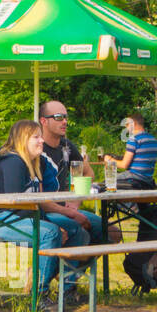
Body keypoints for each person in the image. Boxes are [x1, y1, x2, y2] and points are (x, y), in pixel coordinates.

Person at [0, 119, 74, 312]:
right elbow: (16, 204)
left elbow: (30, 204)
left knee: (74, 227)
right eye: (36, 137)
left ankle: (68, 287)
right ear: (22, 140)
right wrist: (46, 223)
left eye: (41, 137)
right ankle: (37, 296)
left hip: (13, 217)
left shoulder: (31, 163)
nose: (41, 141)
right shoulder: (14, 162)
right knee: (50, 233)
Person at [39, 100, 106, 246]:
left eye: (66, 117)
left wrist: (75, 201)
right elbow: (38, 200)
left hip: (64, 208)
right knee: (79, 232)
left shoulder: (66, 146)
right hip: (43, 212)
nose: (64, 121)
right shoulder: (37, 148)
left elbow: (87, 173)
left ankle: (74, 266)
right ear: (43, 121)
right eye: (58, 117)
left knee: (109, 231)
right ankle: (66, 268)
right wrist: (69, 213)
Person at [104, 111, 157, 189]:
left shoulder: (133, 139)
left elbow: (124, 165)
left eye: (127, 125)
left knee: (106, 182)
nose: (126, 127)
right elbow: (141, 159)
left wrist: (109, 159)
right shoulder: (153, 140)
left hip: (135, 178)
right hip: (148, 180)